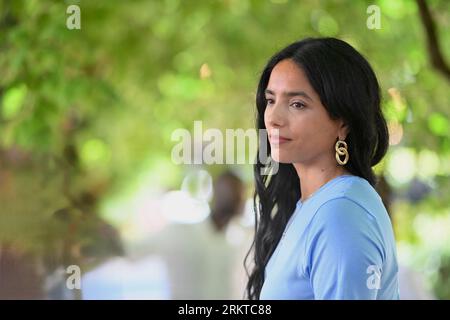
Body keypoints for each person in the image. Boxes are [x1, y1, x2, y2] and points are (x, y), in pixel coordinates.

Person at [244, 37, 399, 300]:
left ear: (343, 122)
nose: (273, 118)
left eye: (297, 104)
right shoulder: (312, 204)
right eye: (271, 100)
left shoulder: (341, 213)